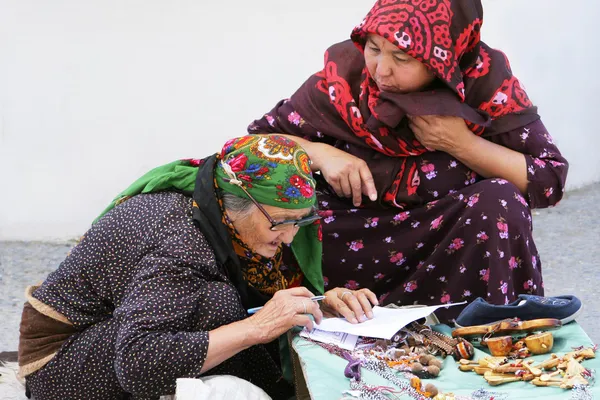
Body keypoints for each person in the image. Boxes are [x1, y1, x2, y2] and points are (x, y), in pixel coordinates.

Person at [248, 0, 568, 323]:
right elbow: (255, 145)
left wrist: (461, 143)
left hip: (448, 248)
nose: (381, 70)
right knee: (287, 208)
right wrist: (320, 155)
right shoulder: (344, 80)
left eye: (401, 57)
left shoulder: (483, 83)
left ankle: (485, 332)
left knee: (500, 202)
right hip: (357, 250)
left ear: (442, 60)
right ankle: (311, 325)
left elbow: (548, 178)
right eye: (374, 48)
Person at [17, 134, 378, 400]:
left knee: (222, 307)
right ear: (237, 205)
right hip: (58, 366)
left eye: (300, 221)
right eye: (280, 222)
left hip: (105, 334)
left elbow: (263, 289)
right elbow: (139, 366)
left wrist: (318, 302)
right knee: (218, 305)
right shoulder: (182, 240)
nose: (287, 237)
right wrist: (258, 327)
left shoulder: (222, 211)